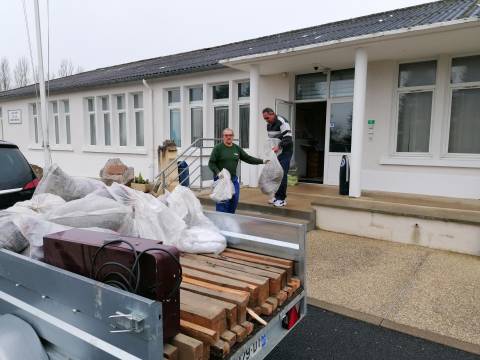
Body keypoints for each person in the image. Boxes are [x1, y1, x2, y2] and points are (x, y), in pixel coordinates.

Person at [208, 128, 267, 214]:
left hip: (233, 180)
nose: (228, 137)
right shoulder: (218, 148)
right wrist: (218, 173)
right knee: (223, 203)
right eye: (226, 135)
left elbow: (248, 158)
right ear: (223, 137)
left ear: (233, 136)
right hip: (221, 180)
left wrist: (262, 161)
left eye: (230, 135)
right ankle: (221, 222)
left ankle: (230, 220)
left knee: (234, 201)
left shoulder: (236, 149)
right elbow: (211, 163)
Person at [262, 107, 293, 207]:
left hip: (285, 152)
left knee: (282, 174)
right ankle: (276, 196)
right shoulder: (269, 125)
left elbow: (288, 139)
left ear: (272, 114)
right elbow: (271, 140)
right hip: (276, 153)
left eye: (267, 118)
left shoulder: (282, 122)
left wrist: (278, 146)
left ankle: (281, 199)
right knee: (275, 174)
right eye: (264, 118)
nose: (266, 120)